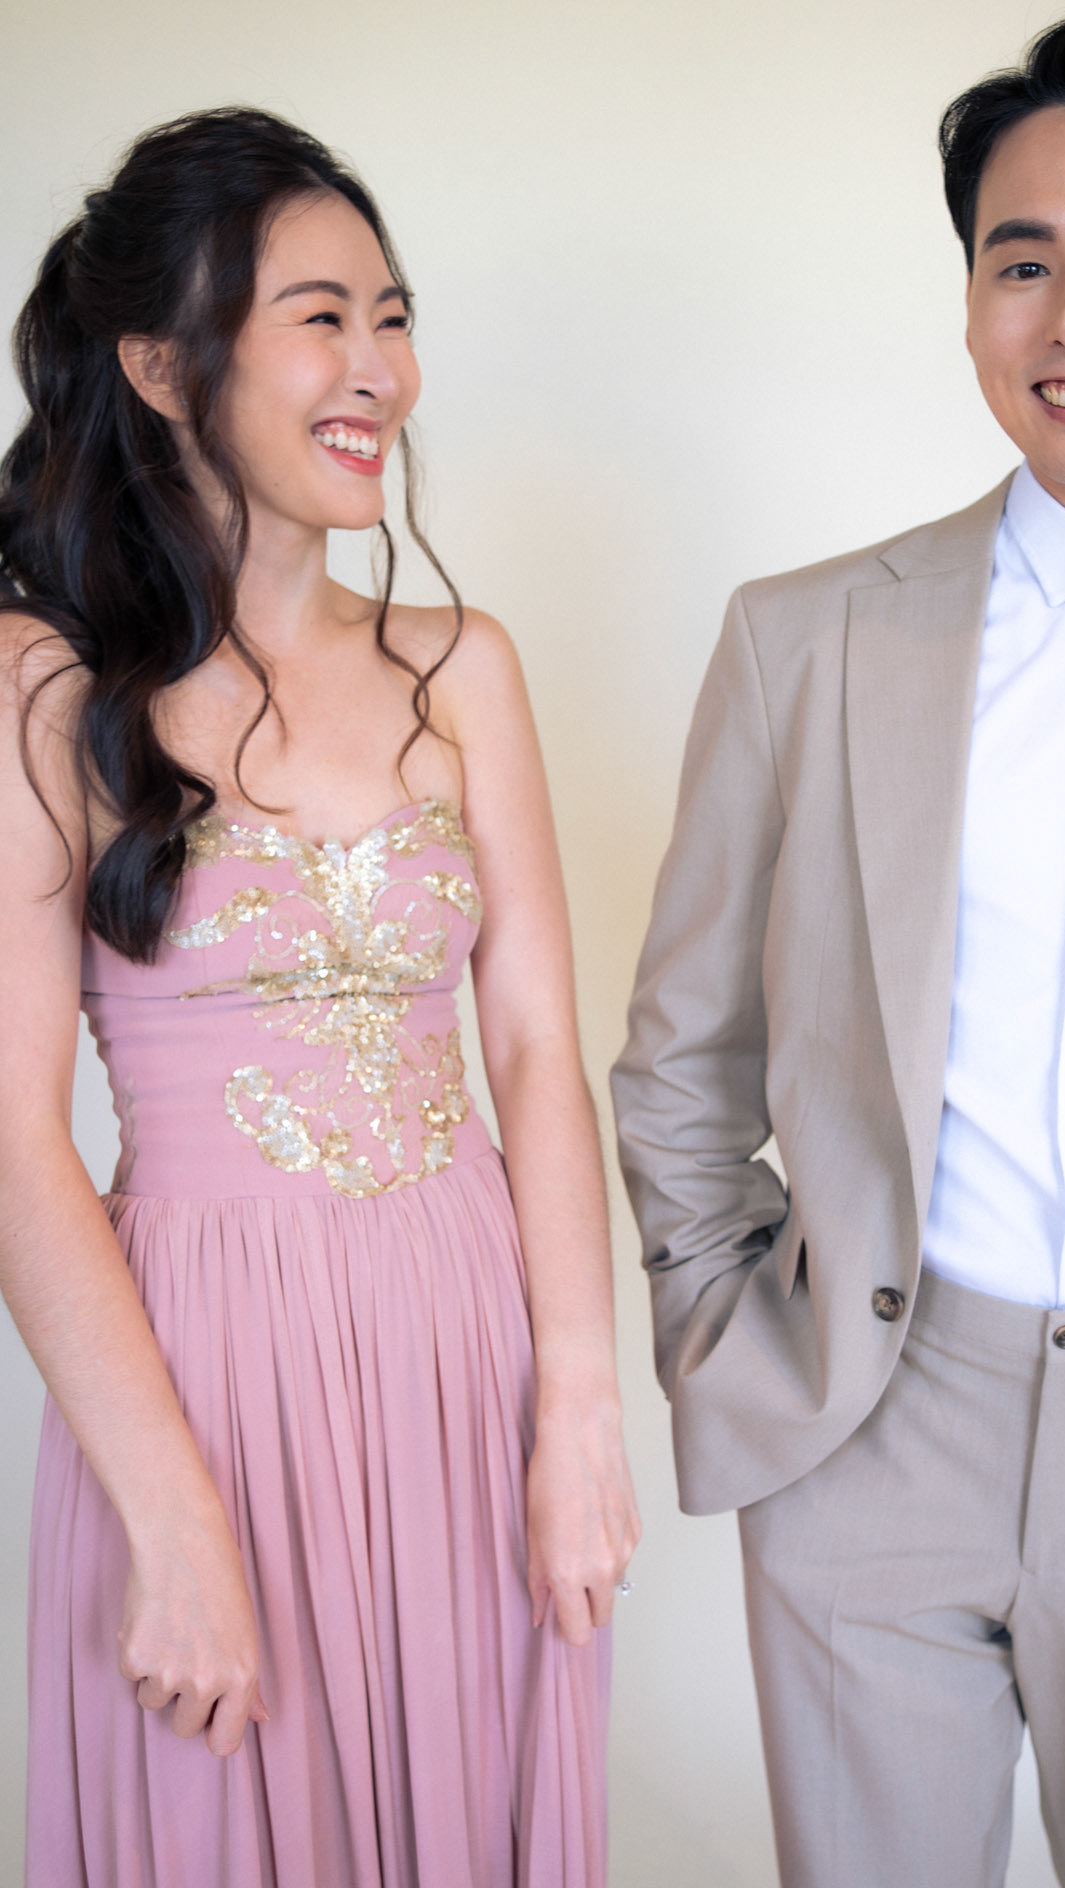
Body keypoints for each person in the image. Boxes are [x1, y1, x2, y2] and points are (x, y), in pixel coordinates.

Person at [612, 9, 1065, 1888]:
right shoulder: (805, 642)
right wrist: (725, 1335)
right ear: (969, 310)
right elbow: (682, 1056)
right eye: (1019, 264)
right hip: (871, 1414)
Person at [1, 107, 639, 1888]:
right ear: (159, 366)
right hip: (199, 1369)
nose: (378, 368)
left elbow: (534, 1048)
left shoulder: (462, 667)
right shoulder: (44, 687)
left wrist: (580, 1411)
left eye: (394, 315)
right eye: (320, 317)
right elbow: (14, 1140)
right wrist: (172, 1524)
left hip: (465, 1346)